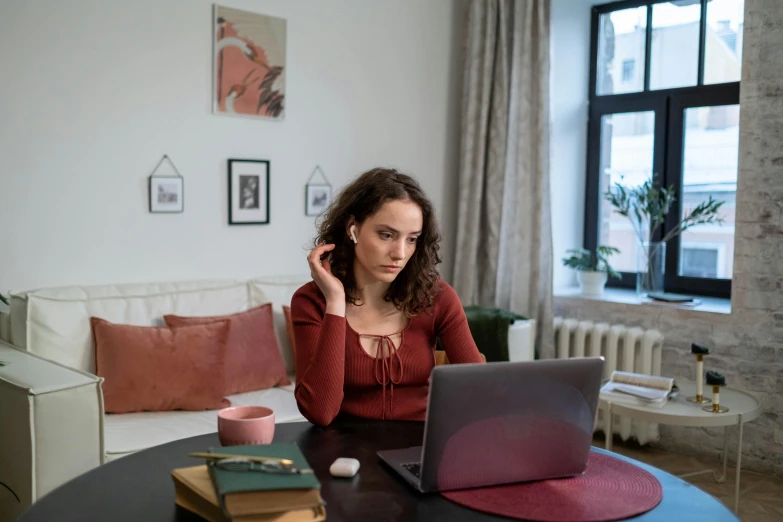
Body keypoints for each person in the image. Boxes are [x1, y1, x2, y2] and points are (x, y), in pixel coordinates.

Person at [290, 167, 484, 427]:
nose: (400, 253)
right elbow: (320, 413)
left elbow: (480, 392)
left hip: (419, 453)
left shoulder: (438, 298)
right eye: (387, 235)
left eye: (412, 239)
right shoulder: (311, 302)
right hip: (341, 457)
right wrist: (335, 303)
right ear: (353, 229)